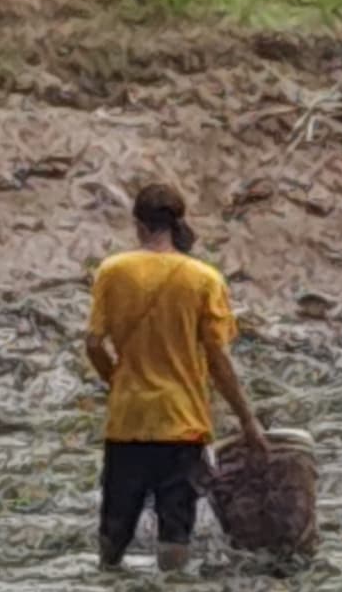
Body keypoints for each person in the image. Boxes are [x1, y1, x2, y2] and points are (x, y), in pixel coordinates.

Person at [87, 178, 269, 571]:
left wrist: (117, 381)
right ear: (177, 223)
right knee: (175, 532)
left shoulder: (113, 271)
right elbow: (218, 360)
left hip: (127, 422)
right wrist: (248, 420)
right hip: (181, 425)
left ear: (139, 224)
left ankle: (111, 587)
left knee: (113, 529)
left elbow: (93, 344)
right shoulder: (204, 280)